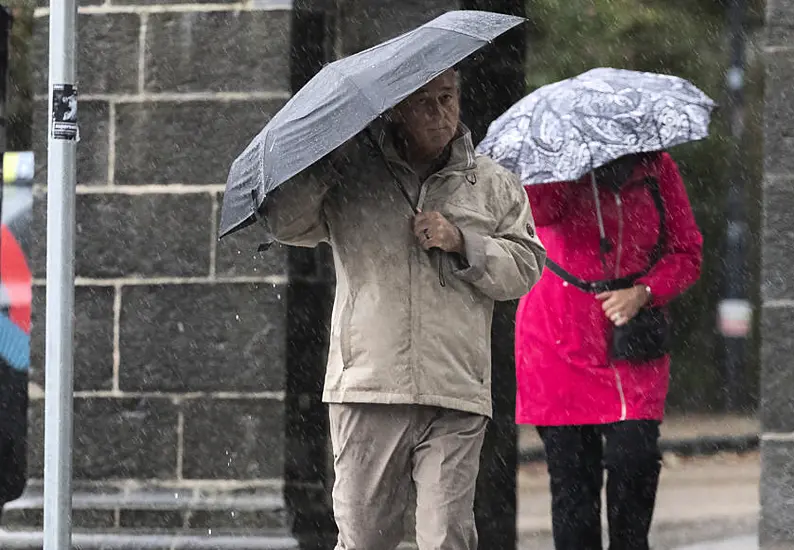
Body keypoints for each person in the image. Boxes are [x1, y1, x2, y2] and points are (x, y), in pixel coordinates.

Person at [259, 68, 546, 550]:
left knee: (446, 538)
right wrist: (330, 161)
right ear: (396, 110)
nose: (441, 113)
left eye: (449, 98)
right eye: (426, 102)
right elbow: (286, 223)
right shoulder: (352, 175)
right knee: (365, 539)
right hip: (369, 385)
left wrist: (462, 241)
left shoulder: (492, 183)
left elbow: (525, 266)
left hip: (454, 388)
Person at [515, 151, 703, 550]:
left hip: (630, 341)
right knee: (573, 489)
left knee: (634, 461)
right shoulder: (555, 166)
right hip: (557, 341)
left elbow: (687, 251)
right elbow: (540, 214)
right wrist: (567, 169)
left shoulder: (658, 167)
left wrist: (645, 291)